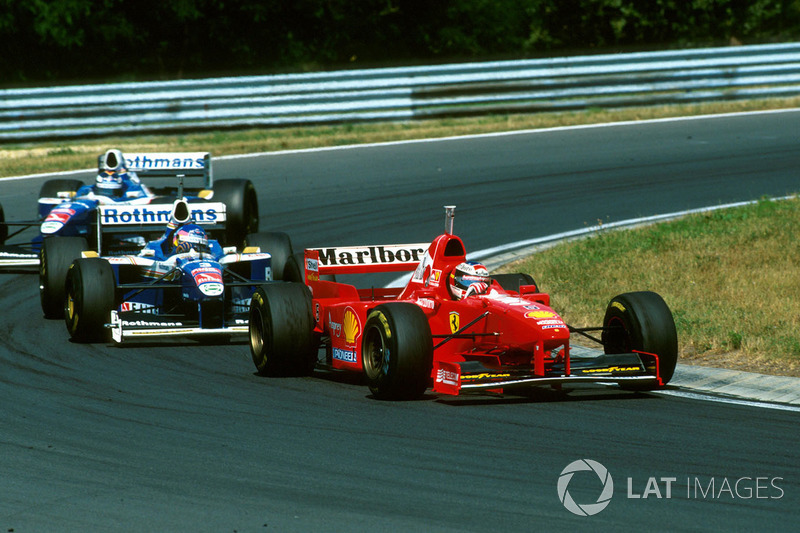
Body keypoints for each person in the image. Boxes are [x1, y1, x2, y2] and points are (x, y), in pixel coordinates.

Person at [77, 149, 150, 202]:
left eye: (112, 191)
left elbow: (146, 198)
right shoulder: (88, 191)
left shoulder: (130, 188)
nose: (108, 195)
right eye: (105, 191)